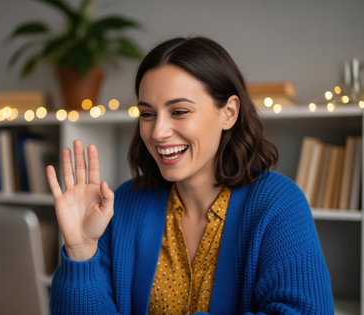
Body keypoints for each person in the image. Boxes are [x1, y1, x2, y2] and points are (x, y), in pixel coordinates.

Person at [47, 37, 334, 314]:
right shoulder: (121, 205)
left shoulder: (278, 204)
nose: (158, 132)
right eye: (147, 114)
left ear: (229, 113)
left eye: (179, 111)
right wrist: (81, 251)